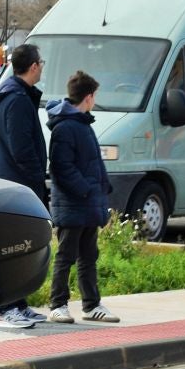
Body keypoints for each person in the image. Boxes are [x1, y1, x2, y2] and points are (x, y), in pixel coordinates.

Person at [0, 41, 49, 329]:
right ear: (33, 66)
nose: (42, 68)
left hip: (16, 184)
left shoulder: (15, 96)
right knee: (14, 247)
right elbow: (21, 148)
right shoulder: (17, 101)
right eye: (42, 63)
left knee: (23, 247)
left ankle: (18, 303)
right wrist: (36, 178)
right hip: (18, 187)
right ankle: (5, 308)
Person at [46, 71, 117, 323]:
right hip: (74, 203)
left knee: (89, 256)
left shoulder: (83, 125)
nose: (95, 100)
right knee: (66, 256)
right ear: (88, 97)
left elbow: (94, 164)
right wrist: (87, 189)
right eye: (95, 96)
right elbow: (61, 167)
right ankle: (57, 304)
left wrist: (102, 189)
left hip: (87, 203)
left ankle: (91, 304)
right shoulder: (66, 127)